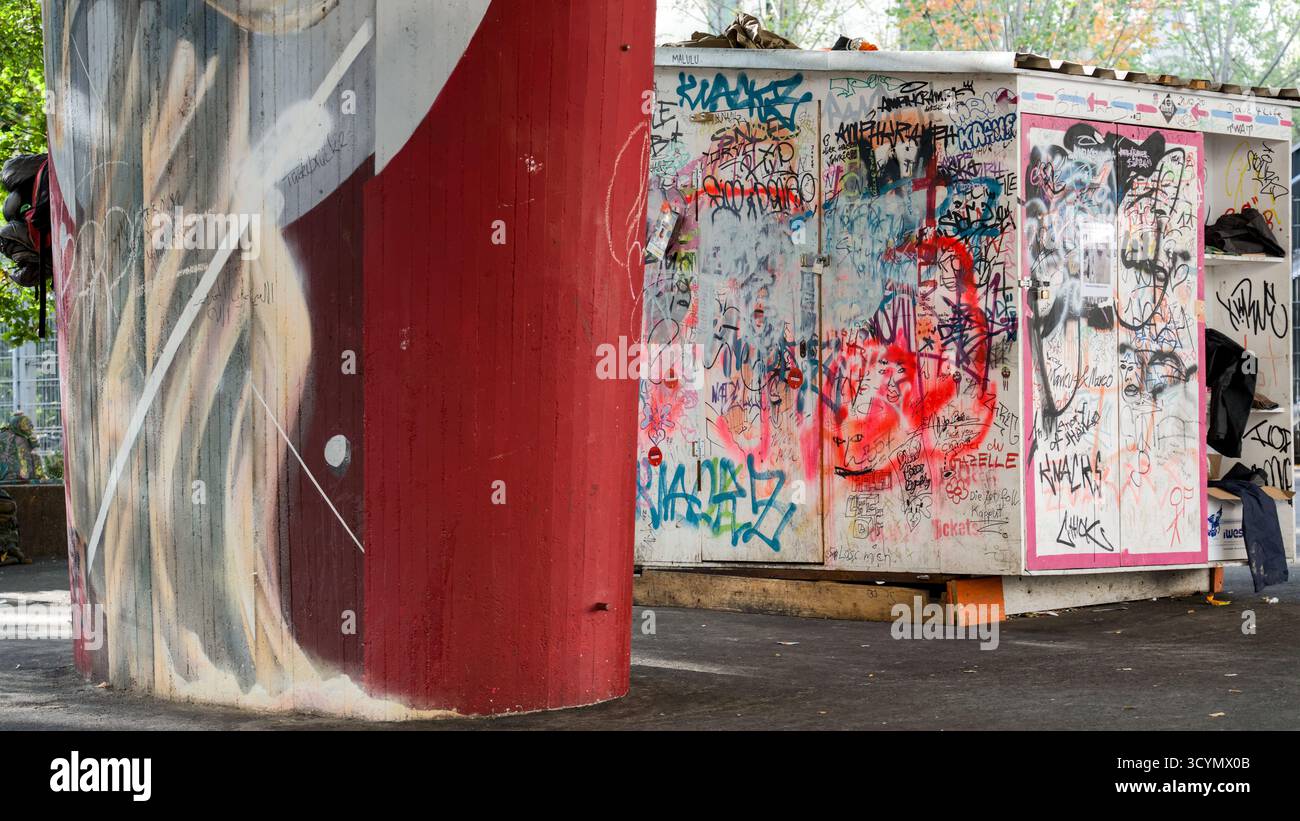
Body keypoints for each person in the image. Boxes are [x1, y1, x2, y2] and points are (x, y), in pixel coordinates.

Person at [0, 412, 39, 565]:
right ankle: (9, 549)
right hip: (10, 484)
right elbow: (26, 472)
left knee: (8, 511)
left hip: (7, 487)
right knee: (7, 510)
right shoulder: (19, 439)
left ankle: (8, 548)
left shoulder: (8, 435)